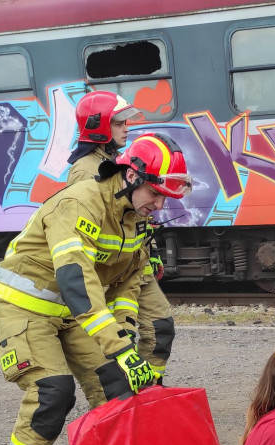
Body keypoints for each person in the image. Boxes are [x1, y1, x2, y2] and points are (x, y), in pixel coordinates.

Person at [0, 134, 192, 445]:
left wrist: (125, 338)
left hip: (77, 314)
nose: (160, 205)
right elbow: (77, 284)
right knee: (53, 392)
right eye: (156, 194)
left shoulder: (135, 218)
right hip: (28, 309)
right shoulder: (79, 204)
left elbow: (127, 284)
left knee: (117, 385)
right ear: (132, 177)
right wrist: (119, 347)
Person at [67, 92, 180, 405]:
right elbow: (82, 226)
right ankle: (119, 408)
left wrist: (149, 253)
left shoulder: (114, 161)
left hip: (134, 263)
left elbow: (130, 216)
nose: (126, 127)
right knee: (115, 349)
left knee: (161, 328)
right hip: (110, 270)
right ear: (97, 126)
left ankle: (147, 395)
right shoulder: (86, 169)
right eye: (118, 122)